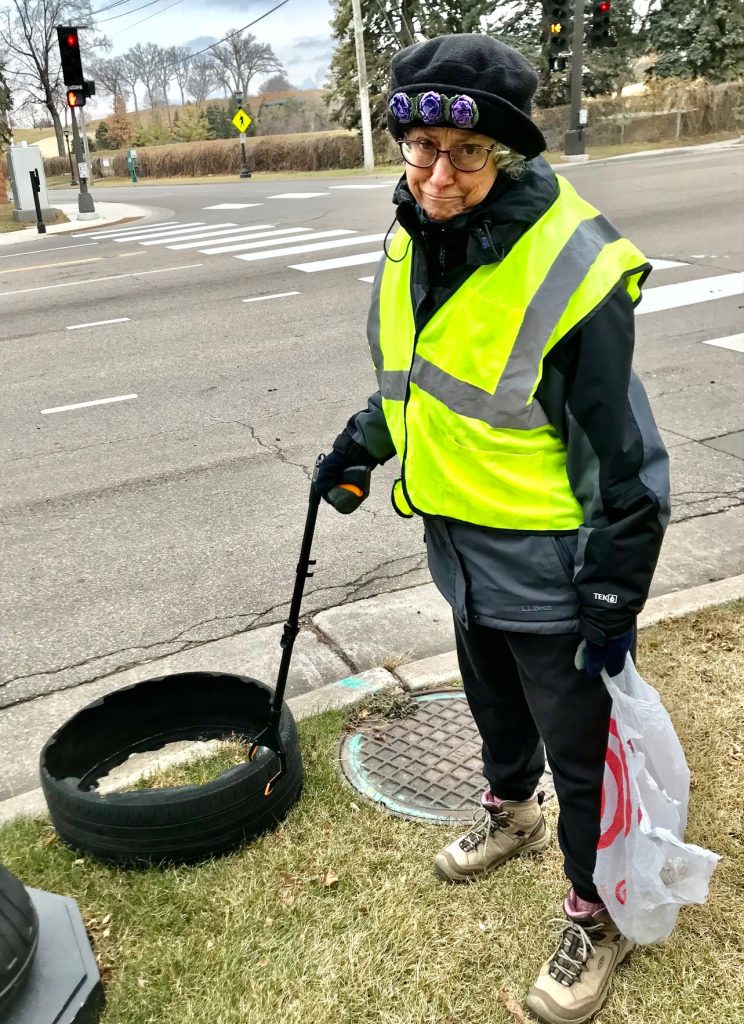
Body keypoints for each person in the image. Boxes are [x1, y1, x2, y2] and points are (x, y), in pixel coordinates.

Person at [315, 33, 670, 1024]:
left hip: (556, 569)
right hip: (461, 552)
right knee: (495, 710)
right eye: (420, 147)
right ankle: (509, 811)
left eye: (464, 154)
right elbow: (419, 382)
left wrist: (613, 584)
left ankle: (595, 912)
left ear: (504, 156)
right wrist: (359, 442)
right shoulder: (411, 238)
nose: (436, 173)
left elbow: (628, 458)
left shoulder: (570, 263)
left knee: (584, 752)